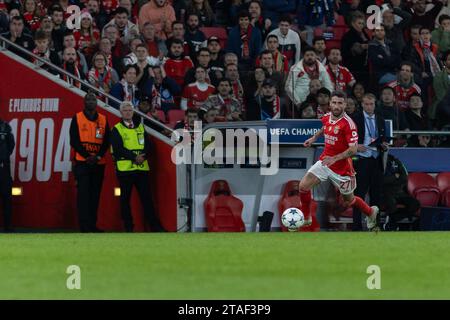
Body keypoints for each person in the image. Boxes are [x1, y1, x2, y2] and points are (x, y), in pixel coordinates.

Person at [299, 90, 379, 231]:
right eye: (334, 102)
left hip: (342, 169)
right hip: (325, 162)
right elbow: (325, 127)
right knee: (303, 187)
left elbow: (353, 150)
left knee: (349, 200)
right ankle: (306, 217)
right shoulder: (327, 116)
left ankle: (370, 212)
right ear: (330, 103)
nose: (336, 106)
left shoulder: (349, 124)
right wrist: (314, 138)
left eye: (340, 103)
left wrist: (334, 158)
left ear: (345, 105)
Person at [110, 101, 165, 232]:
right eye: (125, 110)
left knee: (147, 199)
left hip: (141, 169)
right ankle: (128, 227)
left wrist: (143, 157)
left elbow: (148, 145)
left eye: (130, 110)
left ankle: (155, 226)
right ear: (121, 112)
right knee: (124, 200)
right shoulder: (117, 128)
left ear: (133, 112)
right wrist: (135, 157)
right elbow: (118, 149)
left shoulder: (140, 127)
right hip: (125, 170)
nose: (128, 112)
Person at [69, 92, 110, 232]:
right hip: (82, 163)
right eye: (88, 99)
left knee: (95, 196)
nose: (91, 101)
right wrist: (87, 156)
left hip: (98, 163)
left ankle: (93, 225)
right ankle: (84, 227)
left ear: (97, 102)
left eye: (94, 99)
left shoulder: (103, 120)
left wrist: (97, 156)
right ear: (84, 102)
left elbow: (106, 141)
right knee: (83, 196)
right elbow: (73, 140)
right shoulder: (77, 118)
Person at [351, 93, 388, 231]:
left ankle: (375, 225)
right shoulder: (356, 119)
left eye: (371, 104)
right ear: (362, 104)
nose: (369, 106)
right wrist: (356, 146)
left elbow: (382, 137)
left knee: (376, 194)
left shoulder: (380, 119)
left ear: (375, 104)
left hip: (376, 159)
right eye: (366, 104)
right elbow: (348, 137)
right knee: (359, 194)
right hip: (362, 159)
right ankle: (356, 226)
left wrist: (384, 144)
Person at [382, 154, 421, 231]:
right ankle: (391, 224)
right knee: (391, 205)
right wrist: (395, 177)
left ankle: (392, 219)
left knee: (415, 204)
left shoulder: (397, 161)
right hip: (385, 193)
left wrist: (392, 179)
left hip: (400, 193)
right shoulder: (377, 163)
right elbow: (381, 180)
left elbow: (404, 178)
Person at [0, 117, 15, 232]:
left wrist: (3, 157)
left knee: (7, 198)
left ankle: (8, 227)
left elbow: (11, 145)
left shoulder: (5, 127)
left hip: (4, 168)